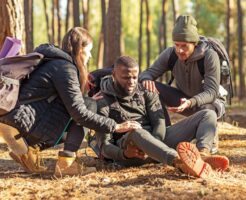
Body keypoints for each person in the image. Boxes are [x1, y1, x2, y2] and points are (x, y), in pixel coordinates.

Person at [0, 27, 139, 177]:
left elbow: (59, 101)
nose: (90, 56)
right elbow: (79, 113)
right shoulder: (66, 68)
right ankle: (66, 163)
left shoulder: (53, 61)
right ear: (80, 50)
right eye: (89, 50)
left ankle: (28, 152)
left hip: (16, 114)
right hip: (25, 119)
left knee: (87, 103)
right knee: (90, 106)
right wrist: (116, 126)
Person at [93, 56, 228, 178]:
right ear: (114, 75)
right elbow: (105, 145)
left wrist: (154, 144)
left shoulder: (146, 91)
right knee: (137, 132)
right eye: (126, 77)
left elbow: (159, 122)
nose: (132, 82)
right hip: (131, 151)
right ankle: (179, 162)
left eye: (135, 77)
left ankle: (201, 156)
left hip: (159, 142)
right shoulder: (103, 101)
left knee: (208, 114)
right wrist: (123, 154)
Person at [139, 15, 226, 156]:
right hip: (182, 98)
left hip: (208, 102)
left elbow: (211, 92)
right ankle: (163, 132)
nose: (179, 50)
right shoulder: (170, 54)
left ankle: (205, 146)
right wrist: (146, 80)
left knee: (207, 109)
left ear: (194, 43)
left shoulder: (209, 56)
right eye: (176, 45)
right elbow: (148, 73)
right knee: (150, 86)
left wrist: (191, 102)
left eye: (184, 46)